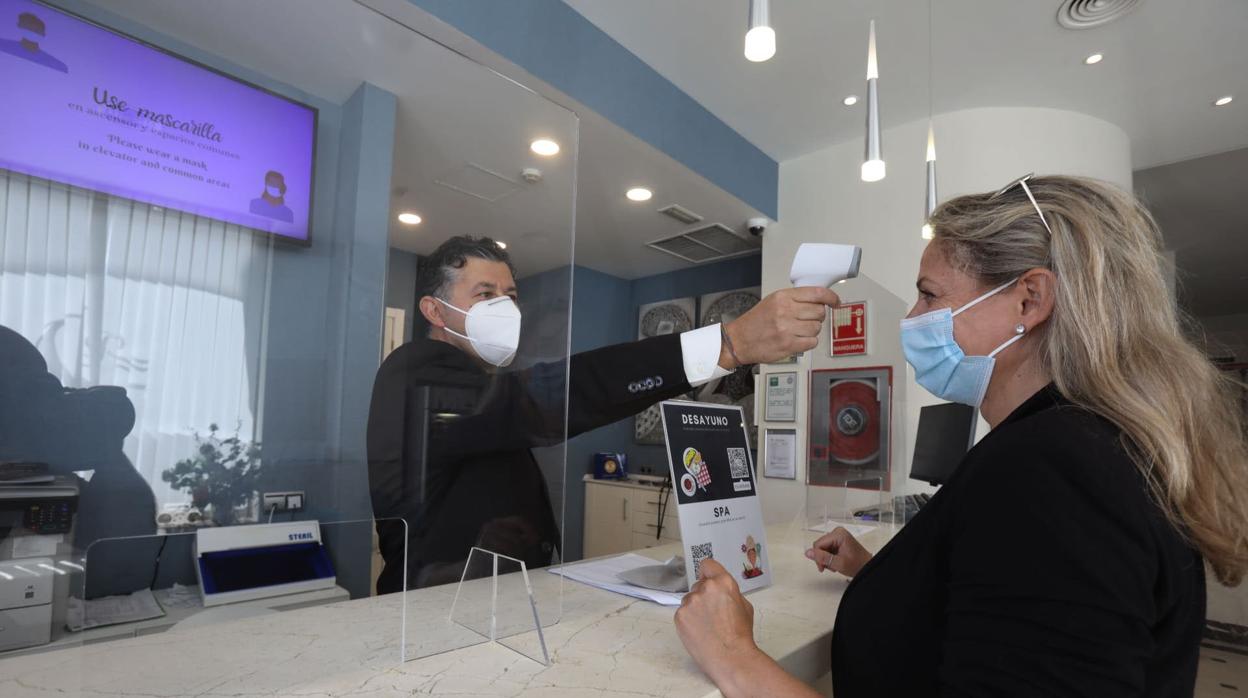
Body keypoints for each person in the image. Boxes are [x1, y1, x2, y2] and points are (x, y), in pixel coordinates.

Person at [673, 175, 1248, 697]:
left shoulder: (1054, 468)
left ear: (1029, 299)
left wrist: (735, 659)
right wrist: (883, 573)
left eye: (930, 295)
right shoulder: (1083, 446)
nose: (911, 318)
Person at [367, 236, 839, 592]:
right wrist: (726, 344)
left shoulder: (480, 386)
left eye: (510, 295)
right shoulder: (416, 370)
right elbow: (550, 398)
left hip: (494, 598)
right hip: (434, 605)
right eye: (484, 294)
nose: (505, 307)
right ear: (434, 309)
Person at [0, 12, 68, 73]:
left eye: (36, 30)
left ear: (43, 34)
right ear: (20, 26)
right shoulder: (3, 45)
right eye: (30, 28)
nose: (32, 32)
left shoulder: (56, 65)